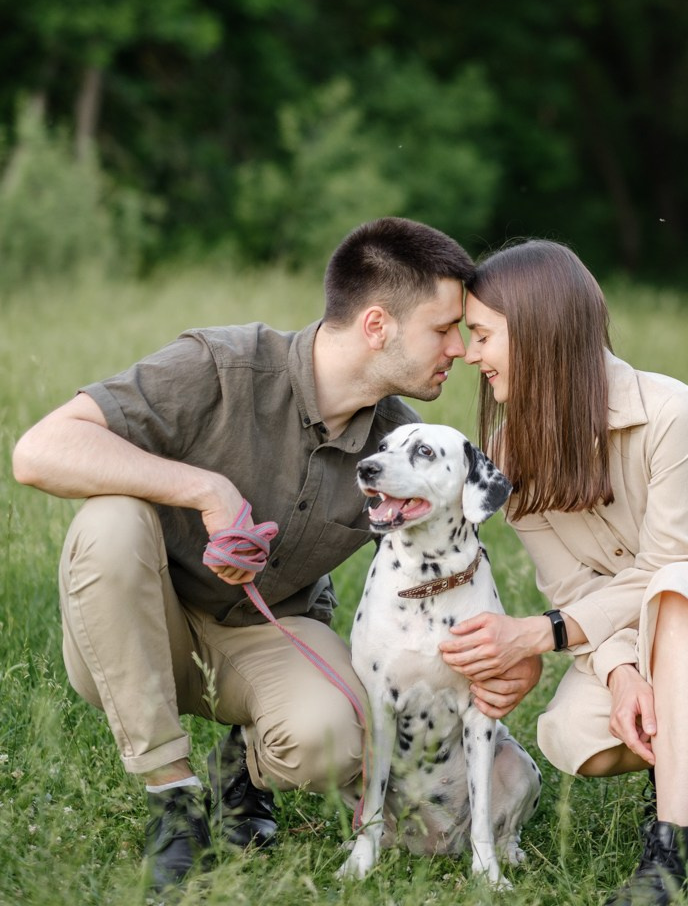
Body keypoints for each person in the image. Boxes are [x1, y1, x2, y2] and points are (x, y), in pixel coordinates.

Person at [12, 217, 477, 893]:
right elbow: (39, 451)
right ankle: (171, 799)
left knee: (333, 738)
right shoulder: (220, 367)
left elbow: (445, 572)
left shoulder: (403, 445)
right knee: (110, 521)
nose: (459, 348)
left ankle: (243, 769)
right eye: (444, 329)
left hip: (263, 634)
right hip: (139, 629)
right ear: (377, 326)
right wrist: (203, 487)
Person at [440, 239, 688, 906]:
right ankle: (686, 749)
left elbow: (672, 567)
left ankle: (675, 861)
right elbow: (574, 591)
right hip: (655, 630)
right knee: (573, 736)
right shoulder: (509, 452)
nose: (470, 356)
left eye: (481, 335)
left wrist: (537, 636)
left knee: (681, 589)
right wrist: (624, 671)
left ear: (538, 327)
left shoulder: (671, 412)